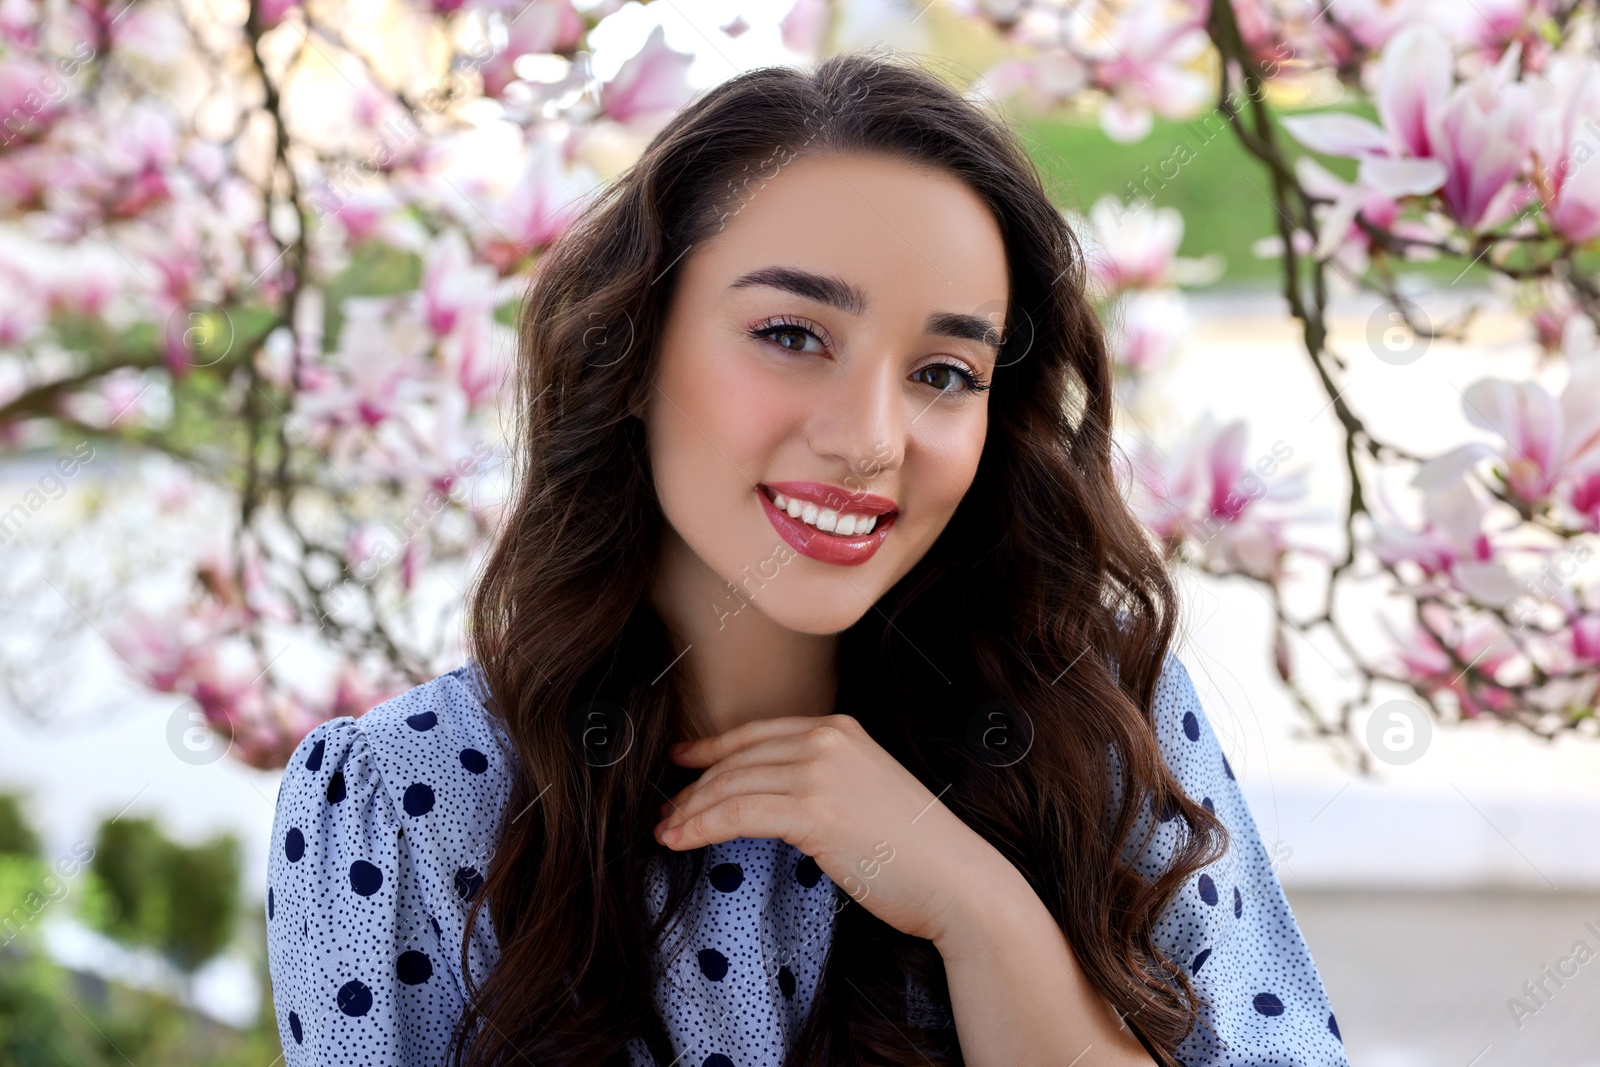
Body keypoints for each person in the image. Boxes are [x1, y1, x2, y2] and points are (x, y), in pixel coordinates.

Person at [265, 49, 1348, 1067]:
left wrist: (979, 912)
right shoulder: (400, 802)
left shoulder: (1097, 722)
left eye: (943, 371)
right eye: (792, 334)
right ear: (636, 347)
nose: (872, 437)